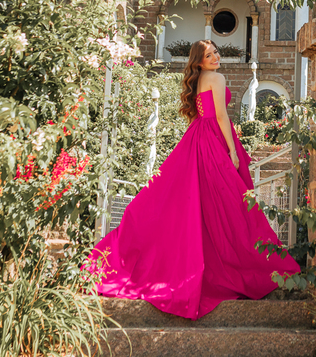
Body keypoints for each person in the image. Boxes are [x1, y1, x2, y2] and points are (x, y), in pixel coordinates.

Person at [91, 39, 300, 319]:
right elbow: (222, 116)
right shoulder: (216, 77)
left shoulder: (200, 78)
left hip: (197, 138)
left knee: (190, 202)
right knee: (226, 203)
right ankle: (238, 263)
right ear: (199, 61)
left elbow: (201, 115)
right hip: (212, 139)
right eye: (208, 55)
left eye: (216, 52)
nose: (215, 57)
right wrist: (233, 152)